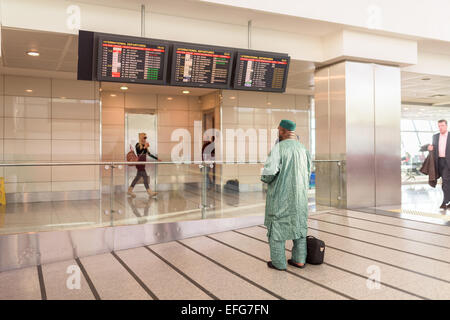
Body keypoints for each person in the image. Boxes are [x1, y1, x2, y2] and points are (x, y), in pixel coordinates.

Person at [261, 120, 312, 271]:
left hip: (280, 198)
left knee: (277, 228)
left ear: (283, 131)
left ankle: (279, 263)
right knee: (299, 227)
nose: (277, 132)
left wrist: (264, 175)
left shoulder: (278, 149)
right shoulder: (304, 149)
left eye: (278, 130)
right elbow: (309, 172)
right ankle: (299, 260)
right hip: (300, 198)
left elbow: (268, 175)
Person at [128, 133, 159, 198]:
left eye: (146, 137)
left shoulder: (145, 145)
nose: (145, 139)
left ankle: (130, 190)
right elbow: (139, 153)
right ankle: (149, 191)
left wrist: (157, 159)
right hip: (139, 163)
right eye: (144, 137)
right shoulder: (138, 145)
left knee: (137, 177)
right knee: (145, 177)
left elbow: (149, 154)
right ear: (141, 138)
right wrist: (145, 147)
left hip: (143, 163)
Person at [428, 119, 450, 209]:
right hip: (438, 162)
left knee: (445, 180)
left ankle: (445, 202)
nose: (440, 128)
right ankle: (447, 200)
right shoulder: (435, 136)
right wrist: (430, 149)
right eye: (439, 126)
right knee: (444, 183)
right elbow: (434, 149)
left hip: (447, 162)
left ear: (446, 126)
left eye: (442, 126)